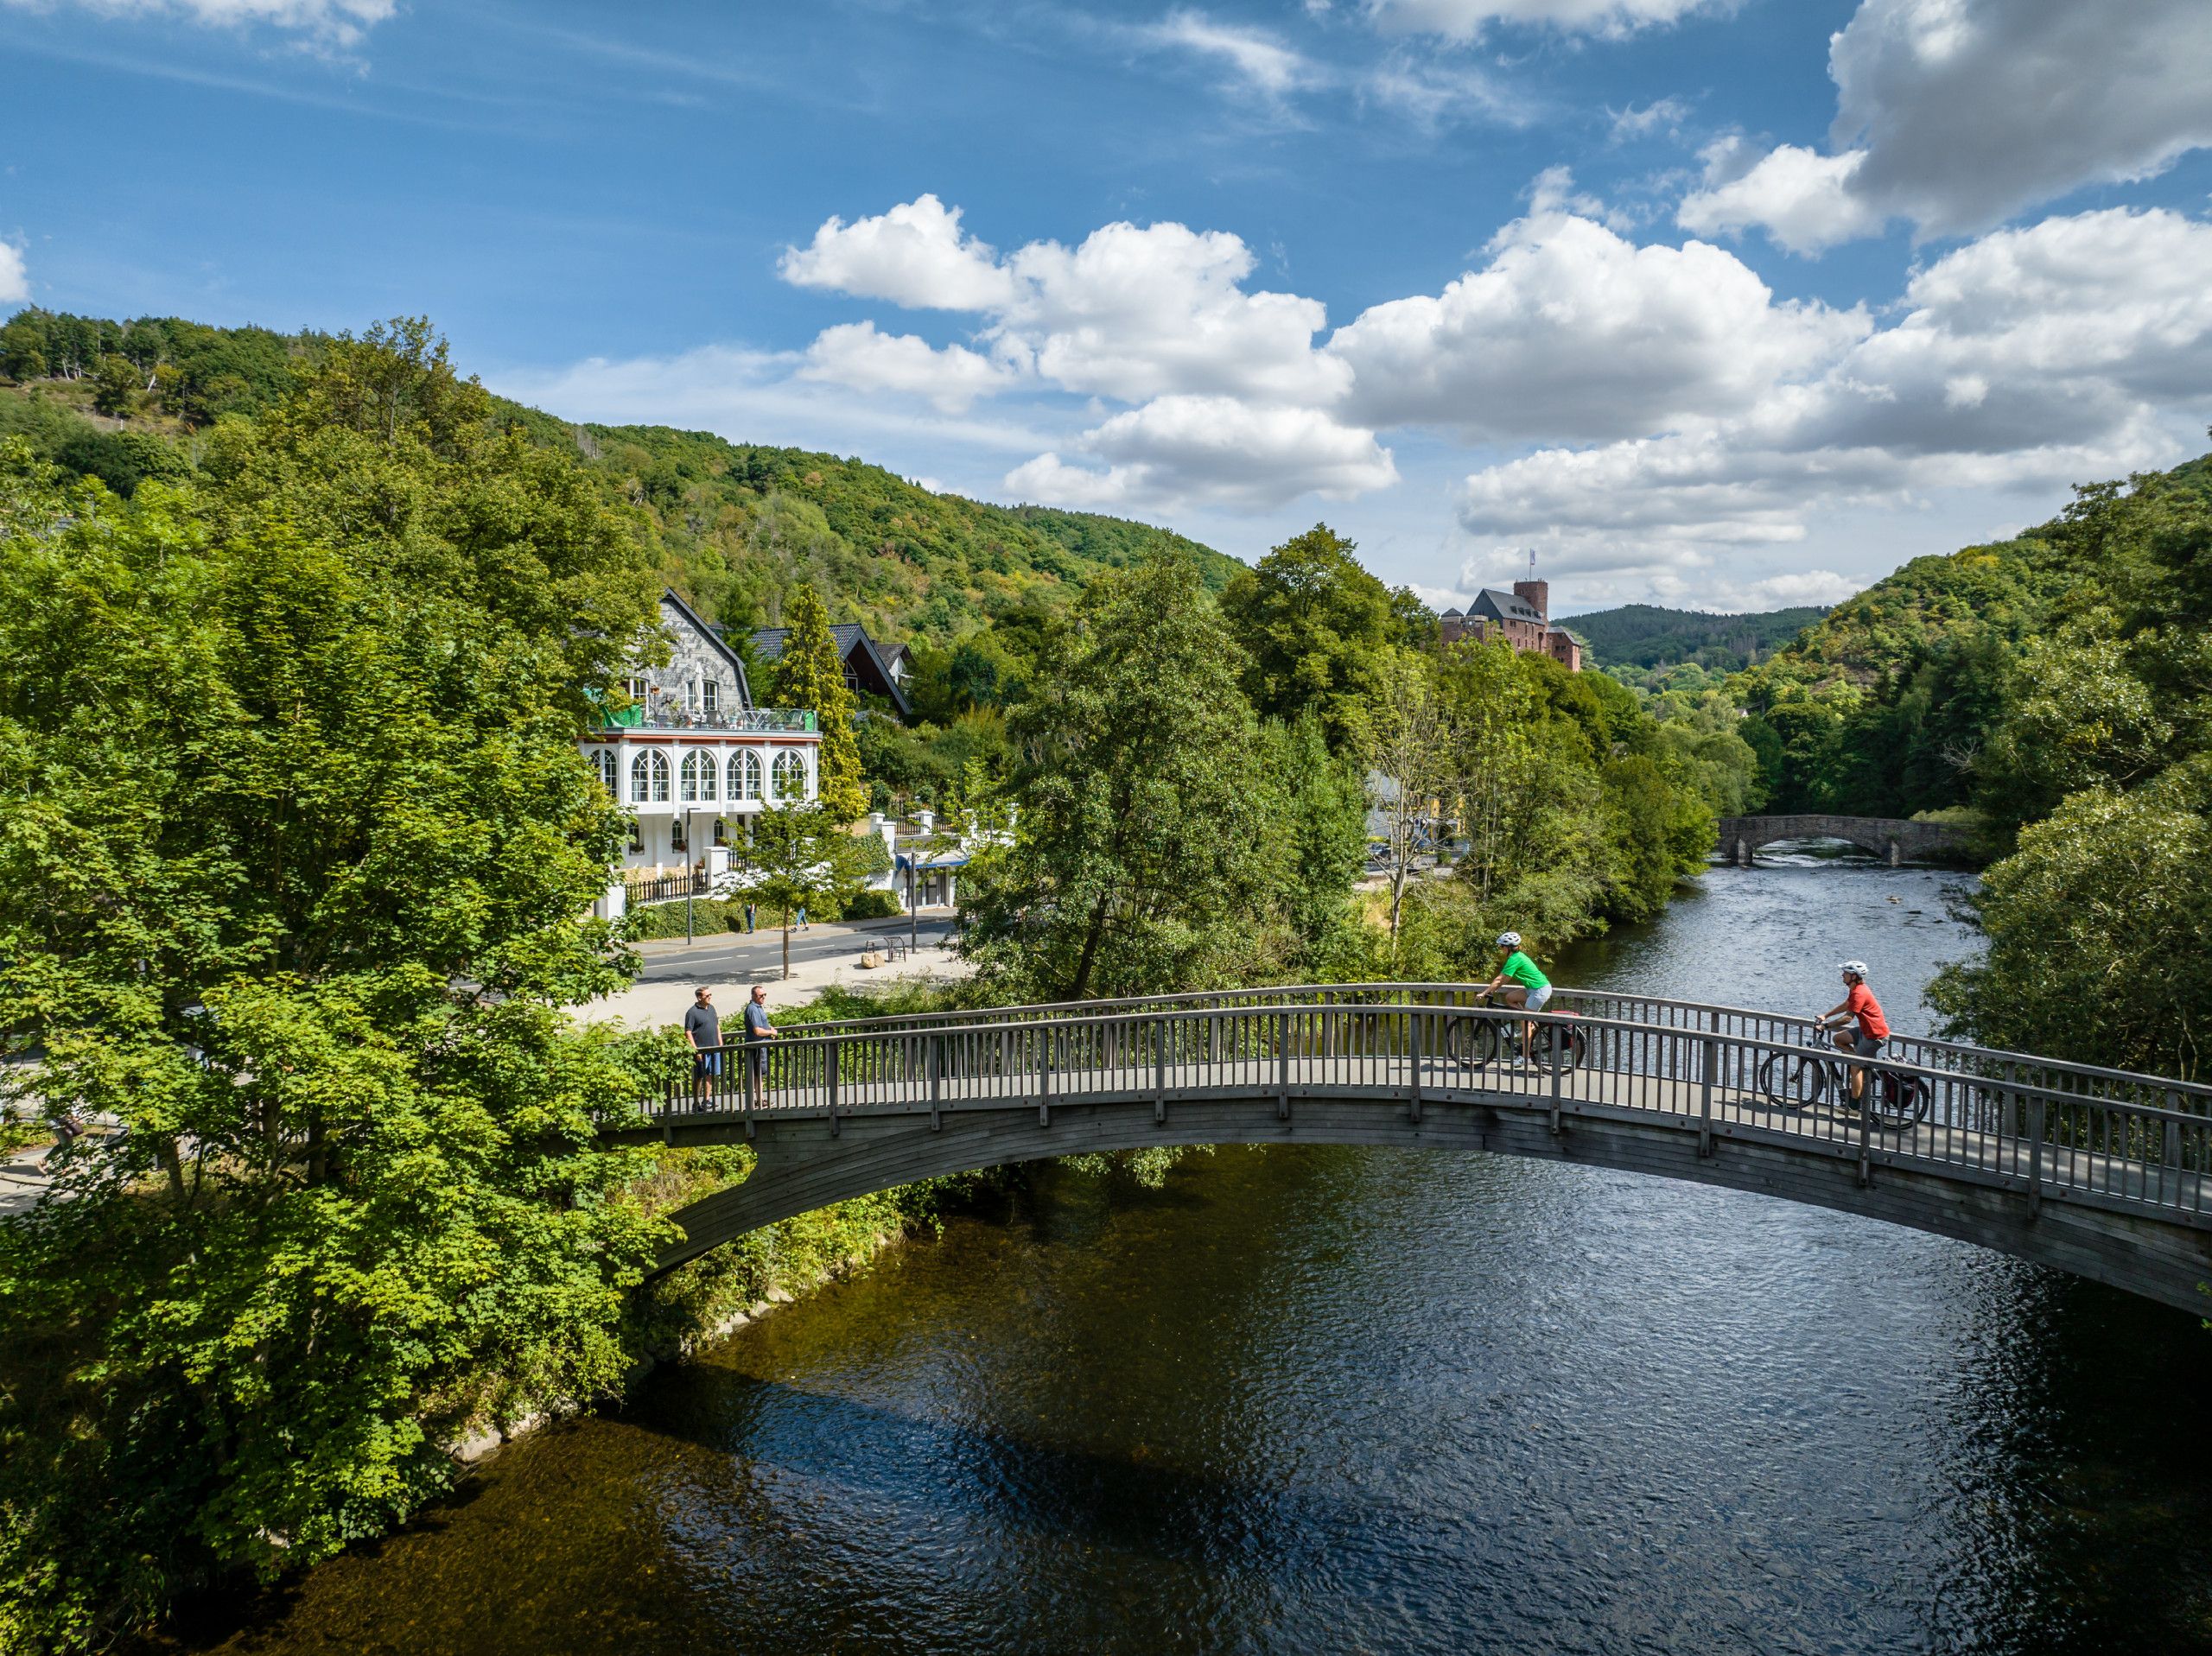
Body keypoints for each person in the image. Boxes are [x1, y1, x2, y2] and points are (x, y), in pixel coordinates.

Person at [1818, 961, 1889, 1104]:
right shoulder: (1856, 990)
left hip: (1874, 1036)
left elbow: (1847, 1018)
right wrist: (1825, 1015)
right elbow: (1846, 1005)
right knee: (1838, 1039)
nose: (1842, 975)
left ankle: (1854, 1105)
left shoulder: (1860, 993)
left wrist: (1826, 1026)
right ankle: (1860, 1067)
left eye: (1845, 973)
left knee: (1855, 1067)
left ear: (1854, 976)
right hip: (1866, 1031)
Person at [1481, 930, 1552, 1058]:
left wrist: (1485, 992)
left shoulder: (1515, 959)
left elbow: (1500, 979)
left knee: (1525, 1022)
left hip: (1539, 990)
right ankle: (1526, 1025)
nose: (1500, 949)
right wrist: (1494, 988)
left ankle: (1526, 1058)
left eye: (1501, 946)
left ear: (1507, 948)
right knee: (1510, 998)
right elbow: (1504, 979)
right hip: (1534, 989)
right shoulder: (1518, 956)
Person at [742, 983, 780, 1108]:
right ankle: (758, 1100)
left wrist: (769, 1028)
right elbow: (757, 1031)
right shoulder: (753, 1009)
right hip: (757, 1046)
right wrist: (771, 1032)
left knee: (759, 1074)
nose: (763, 997)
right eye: (760, 995)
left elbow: (761, 1026)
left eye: (765, 995)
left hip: (760, 1045)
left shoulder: (758, 1007)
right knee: (757, 1074)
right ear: (753, 995)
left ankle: (760, 1099)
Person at [683, 987, 722, 1101]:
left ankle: (706, 1100)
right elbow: (688, 1032)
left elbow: (717, 1026)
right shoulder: (692, 1012)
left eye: (711, 995)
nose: (710, 997)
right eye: (707, 995)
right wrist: (695, 1049)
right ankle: (696, 1103)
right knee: (699, 1076)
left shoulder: (712, 1008)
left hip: (714, 1047)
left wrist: (720, 1043)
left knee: (710, 1075)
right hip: (701, 1050)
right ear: (699, 997)